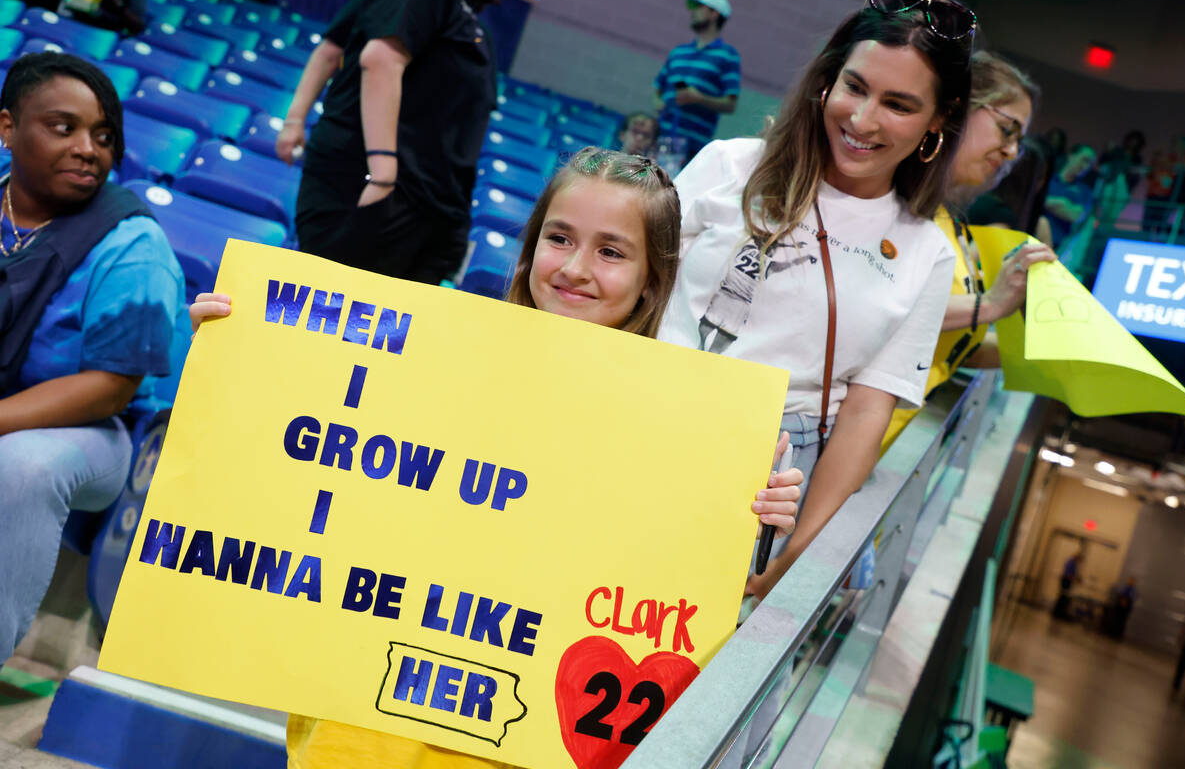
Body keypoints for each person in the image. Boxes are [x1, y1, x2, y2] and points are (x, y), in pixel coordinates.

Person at [191, 148, 804, 769]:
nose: (576, 268)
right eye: (559, 238)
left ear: (653, 277)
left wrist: (755, 515)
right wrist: (239, 352)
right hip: (362, 725)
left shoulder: (693, 427)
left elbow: (697, 584)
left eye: (612, 251)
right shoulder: (430, 355)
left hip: (519, 741)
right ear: (531, 244)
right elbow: (307, 451)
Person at [657, 0, 977, 598]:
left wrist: (791, 555)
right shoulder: (729, 166)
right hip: (654, 411)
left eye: (899, 104)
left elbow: (865, 413)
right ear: (828, 79)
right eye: (855, 87)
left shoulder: (926, 252)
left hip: (769, 475)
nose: (862, 120)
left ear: (939, 120)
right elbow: (642, 293)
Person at [0, 52, 189, 665]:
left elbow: (109, 386)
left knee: (24, 466)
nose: (88, 148)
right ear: (8, 128)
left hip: (91, 434)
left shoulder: (133, 241)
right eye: (64, 127)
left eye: (104, 136)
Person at [275, 0, 504, 283]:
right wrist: (382, 175)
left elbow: (332, 50)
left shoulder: (470, 17)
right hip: (377, 195)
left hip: (428, 208)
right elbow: (373, 57)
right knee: (329, 313)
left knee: (383, 329)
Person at [880, 52, 1056, 450]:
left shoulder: (946, 223)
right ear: (957, 109)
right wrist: (990, 306)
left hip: (858, 453)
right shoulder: (886, 199)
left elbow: (957, 348)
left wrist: (1057, 349)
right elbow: (881, 307)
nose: (1011, 152)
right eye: (1006, 130)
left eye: (1019, 140)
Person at [653, 0, 740, 163]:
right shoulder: (679, 52)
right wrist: (658, 102)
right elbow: (658, 85)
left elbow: (730, 104)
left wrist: (699, 98)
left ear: (714, 14)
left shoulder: (728, 56)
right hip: (661, 136)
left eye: (699, 8)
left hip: (692, 146)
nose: (693, 12)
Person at [1043, 144, 1096, 248]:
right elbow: (1031, 202)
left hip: (1057, 247)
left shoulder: (1085, 192)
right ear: (1071, 155)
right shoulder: (1047, 178)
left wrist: (1044, 202)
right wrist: (1063, 203)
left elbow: (1075, 215)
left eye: (1090, 164)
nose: (1086, 166)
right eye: (1084, 160)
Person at [1052, 551, 1082, 620]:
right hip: (1065, 581)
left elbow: (1072, 574)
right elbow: (1068, 574)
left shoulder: (1073, 563)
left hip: (1067, 581)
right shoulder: (1071, 562)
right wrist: (1075, 579)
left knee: (1064, 597)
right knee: (1062, 597)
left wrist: (1076, 578)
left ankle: (1059, 612)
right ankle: (1057, 613)